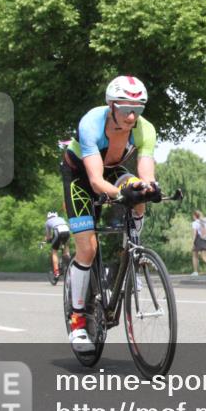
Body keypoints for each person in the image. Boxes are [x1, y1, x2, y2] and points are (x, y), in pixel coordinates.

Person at [60, 75, 162, 351]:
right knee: (88, 249)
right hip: (81, 177)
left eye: (138, 109)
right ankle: (78, 321)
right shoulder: (91, 123)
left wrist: (149, 188)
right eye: (127, 109)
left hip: (112, 170)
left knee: (140, 191)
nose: (132, 116)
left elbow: (146, 172)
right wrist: (119, 195)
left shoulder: (145, 129)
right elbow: (95, 181)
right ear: (111, 105)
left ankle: (134, 253)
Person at [44, 211, 71, 280]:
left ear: (48, 217)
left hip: (58, 231)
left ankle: (56, 273)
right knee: (66, 248)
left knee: (54, 252)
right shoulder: (61, 218)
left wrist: (47, 240)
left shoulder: (47, 222)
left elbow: (48, 236)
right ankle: (69, 264)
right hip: (67, 231)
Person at [191, 211, 206, 276]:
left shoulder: (195, 223)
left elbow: (194, 233)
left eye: (193, 216)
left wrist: (193, 242)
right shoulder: (205, 221)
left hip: (198, 239)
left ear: (195, 216)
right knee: (204, 257)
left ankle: (195, 272)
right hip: (205, 239)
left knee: (195, 256)